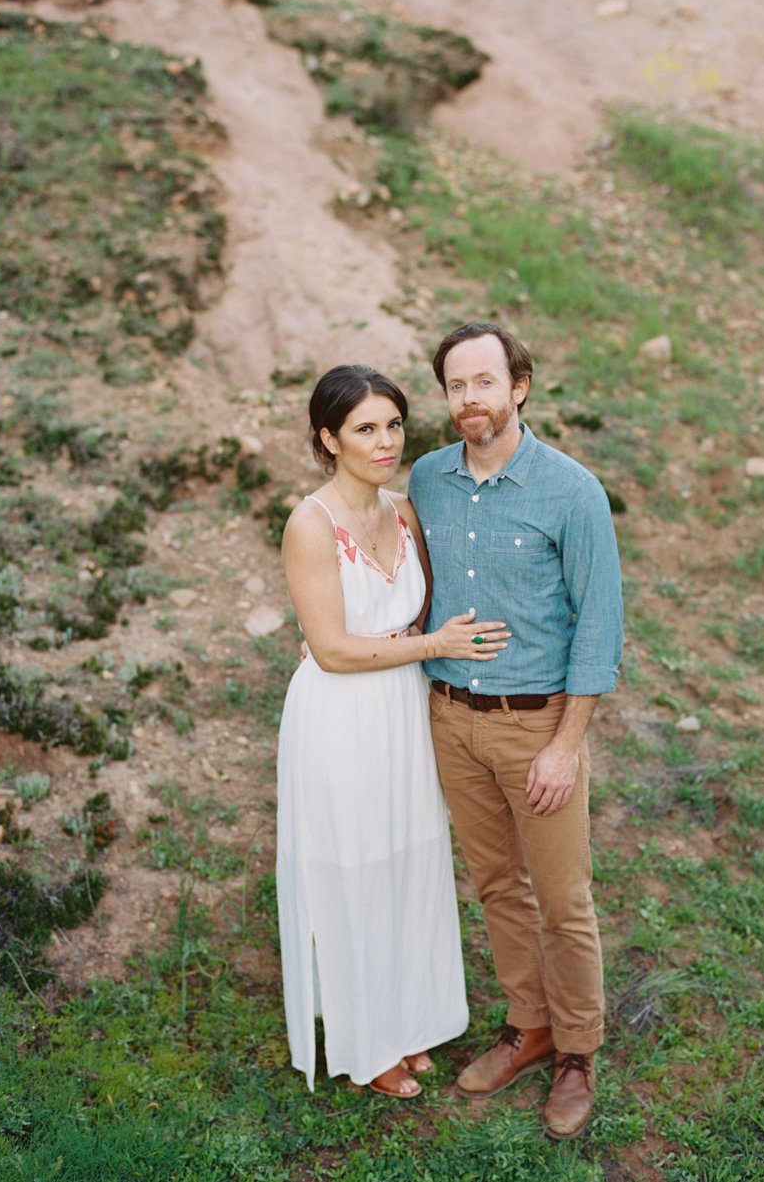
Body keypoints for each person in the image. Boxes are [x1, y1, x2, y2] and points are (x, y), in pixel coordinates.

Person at [408, 323, 623, 1139]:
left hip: (537, 726)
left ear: (519, 385)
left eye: (484, 383)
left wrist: (566, 745)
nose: (470, 400)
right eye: (456, 386)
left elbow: (599, 628)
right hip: (452, 719)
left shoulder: (572, 492)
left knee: (564, 901)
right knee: (498, 886)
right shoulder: (428, 477)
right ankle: (527, 1024)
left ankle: (576, 1051)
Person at [276, 363, 511, 1099]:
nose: (385, 442)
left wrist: (426, 641)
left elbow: (412, 608)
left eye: (394, 425)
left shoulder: (404, 511)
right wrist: (433, 645)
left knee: (407, 861)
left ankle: (406, 1021)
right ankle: (364, 1039)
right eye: (365, 428)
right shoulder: (310, 525)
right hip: (341, 715)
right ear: (327, 437)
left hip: (403, 711)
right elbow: (338, 648)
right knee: (354, 870)